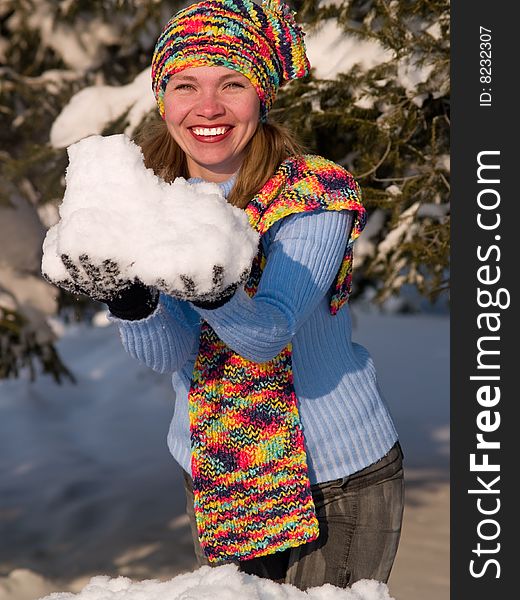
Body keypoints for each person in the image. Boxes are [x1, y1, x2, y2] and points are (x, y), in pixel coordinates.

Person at [54, 0, 404, 590]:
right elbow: (168, 354)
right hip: (219, 475)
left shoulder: (314, 195)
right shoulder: (149, 194)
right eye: (186, 85)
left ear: (261, 97)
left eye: (231, 83)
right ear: (163, 99)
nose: (207, 107)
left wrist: (214, 291)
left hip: (336, 479)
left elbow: (268, 334)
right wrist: (130, 302)